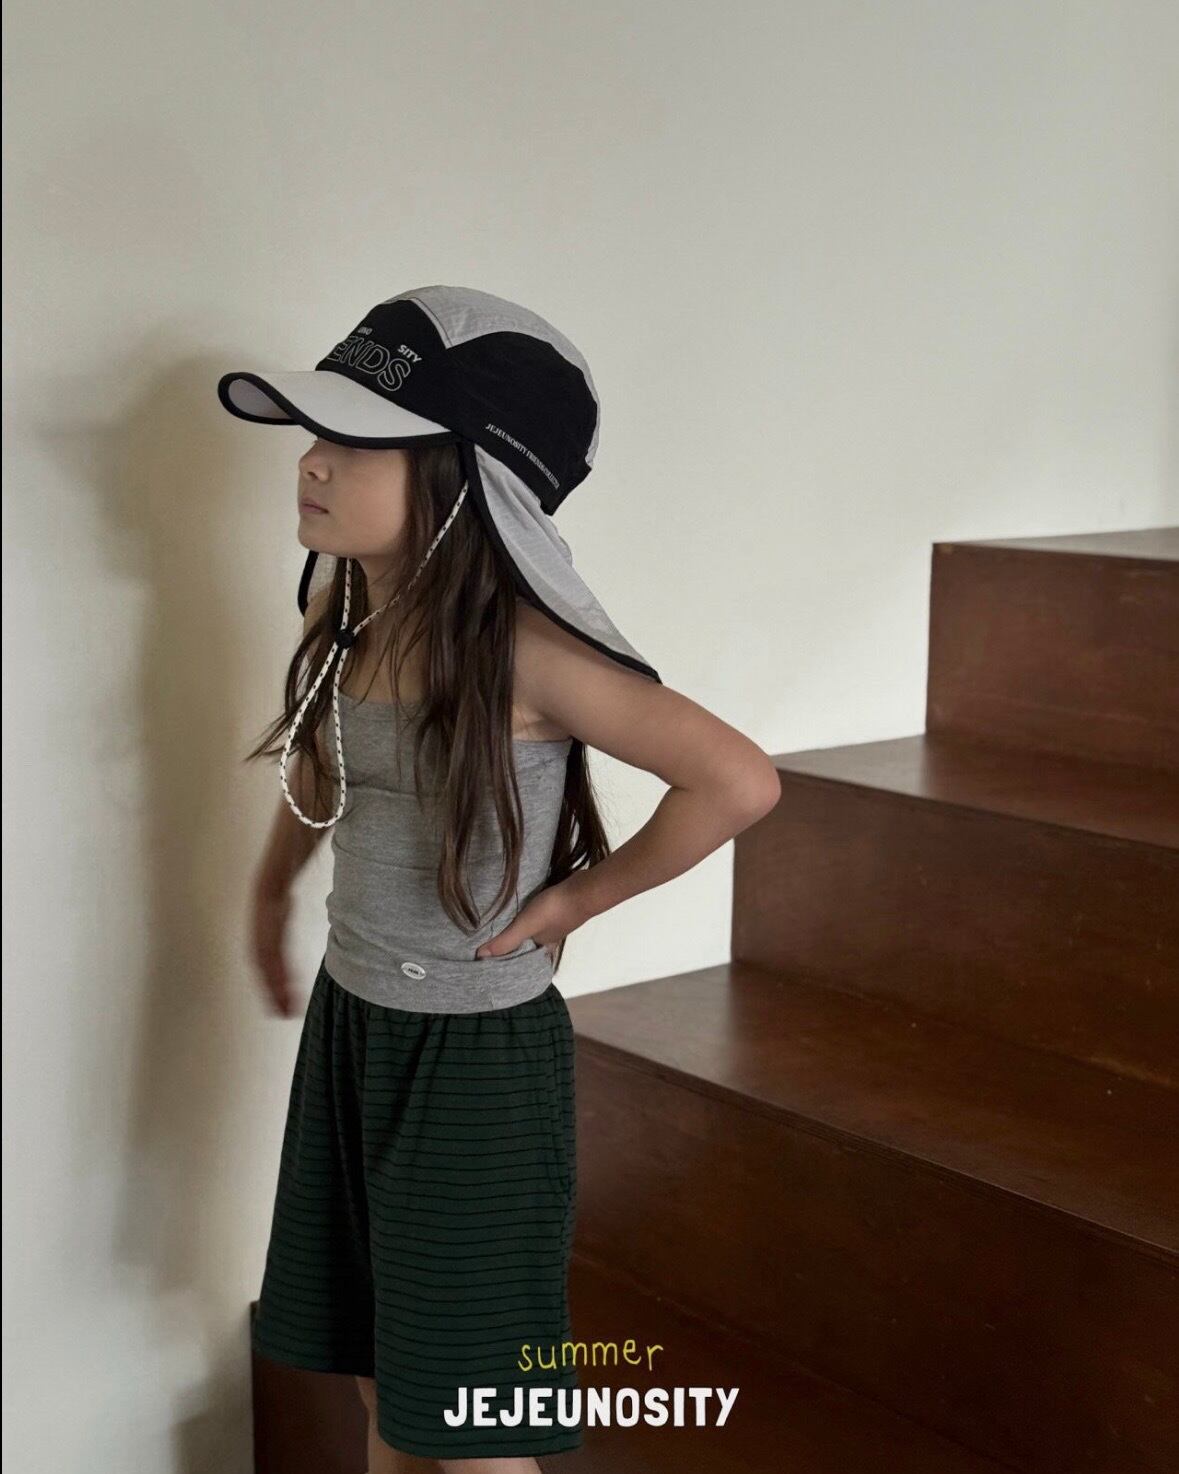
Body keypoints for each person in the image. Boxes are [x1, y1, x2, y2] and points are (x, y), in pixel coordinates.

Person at [220, 284, 781, 1472]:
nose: (310, 463)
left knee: (475, 1416)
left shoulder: (527, 654)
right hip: (355, 1025)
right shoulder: (344, 610)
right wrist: (271, 891)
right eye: (313, 435)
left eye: (352, 441)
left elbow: (736, 780)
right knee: (380, 1374)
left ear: (467, 475)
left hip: (473, 1061)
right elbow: (324, 768)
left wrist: (576, 898)